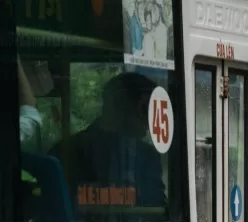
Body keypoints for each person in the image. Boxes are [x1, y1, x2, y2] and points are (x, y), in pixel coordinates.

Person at [54, 72, 166, 209]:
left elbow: (158, 206)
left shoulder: (149, 156)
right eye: (144, 108)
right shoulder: (69, 152)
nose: (149, 119)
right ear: (117, 103)